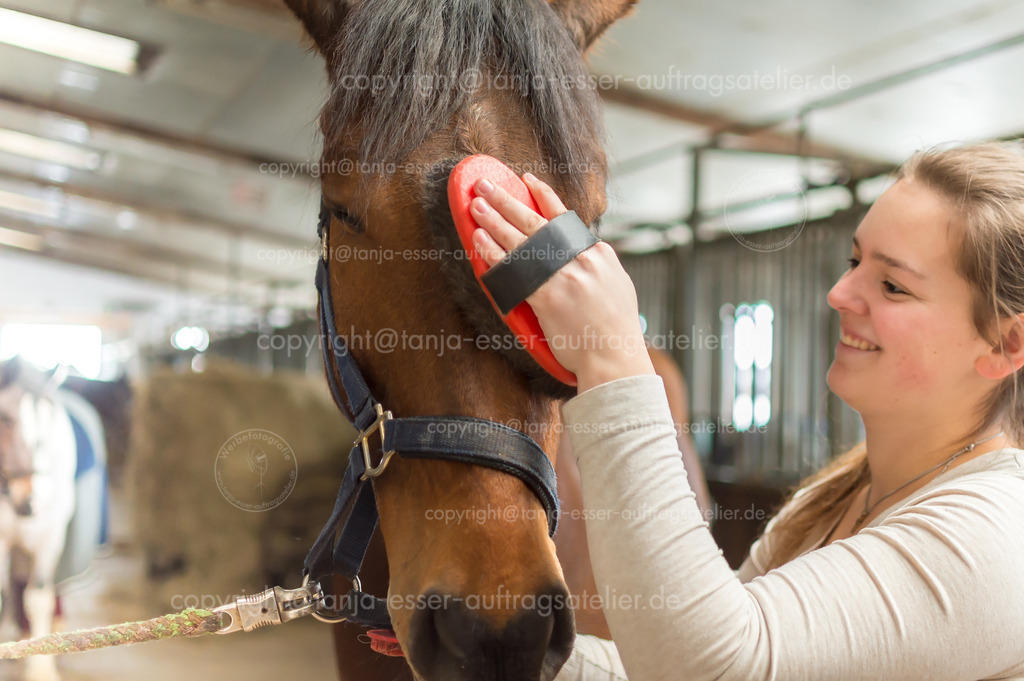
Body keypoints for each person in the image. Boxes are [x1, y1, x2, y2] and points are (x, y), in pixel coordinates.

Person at [468, 142, 1024, 681]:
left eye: (892, 285)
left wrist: (611, 353)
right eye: (853, 261)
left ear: (1004, 345)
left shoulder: (1000, 534)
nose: (838, 293)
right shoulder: (832, 497)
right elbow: (658, 657)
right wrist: (492, 649)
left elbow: (712, 667)